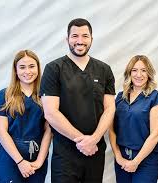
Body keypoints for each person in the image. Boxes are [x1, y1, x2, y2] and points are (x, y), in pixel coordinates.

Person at [40, 18, 116, 183]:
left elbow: (110, 109)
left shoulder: (104, 70)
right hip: (65, 154)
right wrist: (82, 141)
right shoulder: (53, 69)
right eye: (75, 36)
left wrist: (94, 139)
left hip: (95, 151)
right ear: (67, 39)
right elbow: (50, 112)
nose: (79, 41)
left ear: (91, 39)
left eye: (85, 36)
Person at [0, 50, 52, 183]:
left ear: (38, 68)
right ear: (15, 70)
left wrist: (40, 160)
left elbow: (48, 130)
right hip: (10, 158)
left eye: (31, 66)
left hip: (36, 157)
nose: (27, 71)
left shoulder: (46, 96)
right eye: (22, 67)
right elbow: (1, 133)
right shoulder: (4, 95)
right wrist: (20, 161)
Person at [109, 55, 158, 183]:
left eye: (143, 70)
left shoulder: (156, 99)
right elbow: (111, 129)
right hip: (122, 158)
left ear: (149, 73)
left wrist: (136, 161)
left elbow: (155, 135)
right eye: (134, 70)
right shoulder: (120, 98)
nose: (138, 74)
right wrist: (118, 156)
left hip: (146, 160)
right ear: (129, 73)